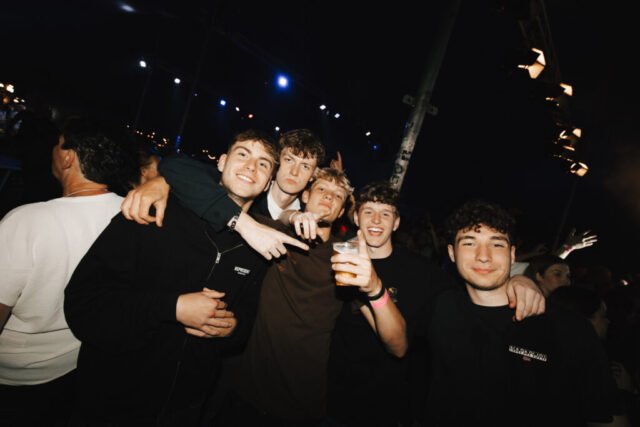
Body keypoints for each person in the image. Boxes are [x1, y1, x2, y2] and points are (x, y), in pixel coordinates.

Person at [63, 130, 281, 425]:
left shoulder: (258, 247)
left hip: (186, 407)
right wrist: (173, 307)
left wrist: (232, 328)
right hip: (111, 401)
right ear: (221, 162)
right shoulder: (153, 211)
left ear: (268, 183)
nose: (251, 167)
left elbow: (246, 321)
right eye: (243, 154)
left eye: (263, 163)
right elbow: (83, 305)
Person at [426, 200, 618, 426]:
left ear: (512, 254)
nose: (483, 256)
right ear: (452, 253)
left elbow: (607, 418)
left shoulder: (568, 328)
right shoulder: (440, 307)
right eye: (469, 243)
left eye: (497, 244)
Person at [0, 118, 133, 425]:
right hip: (75, 372)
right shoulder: (131, 215)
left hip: (11, 379)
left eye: (58, 145)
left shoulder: (28, 221)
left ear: (68, 157)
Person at [120, 128, 324, 260]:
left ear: (313, 175)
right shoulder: (237, 186)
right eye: (289, 160)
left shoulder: (311, 217)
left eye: (305, 166)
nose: (295, 172)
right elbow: (176, 165)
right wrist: (163, 181)